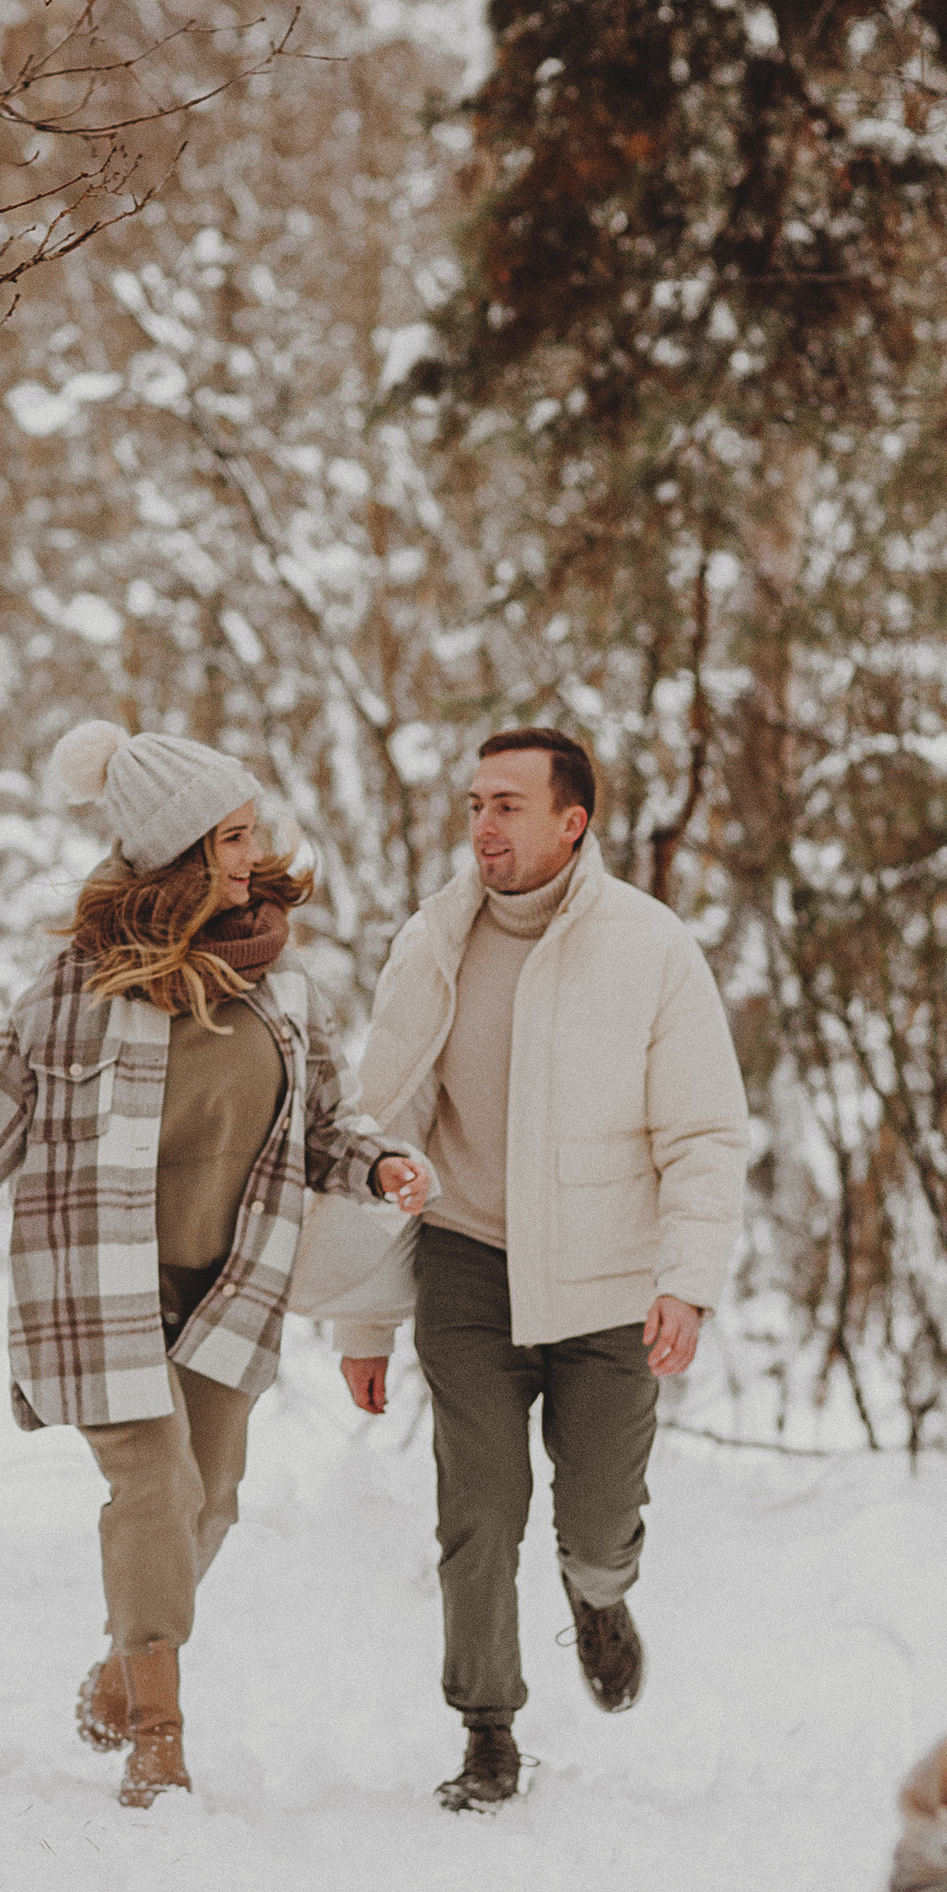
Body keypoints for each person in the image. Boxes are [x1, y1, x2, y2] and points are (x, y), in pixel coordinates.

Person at [0, 721, 431, 1809]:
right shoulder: (78, 989)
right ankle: (159, 1736)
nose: (252, 853)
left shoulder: (285, 990)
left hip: (229, 1286)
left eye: (250, 831)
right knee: (155, 1484)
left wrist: (378, 1170)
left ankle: (120, 1666)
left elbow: (330, 1125)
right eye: (230, 837)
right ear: (179, 851)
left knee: (214, 1502)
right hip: (100, 1289)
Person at [337, 729, 749, 1812]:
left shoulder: (649, 948)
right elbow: (378, 1132)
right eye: (476, 802)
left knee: (598, 1512)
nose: (484, 825)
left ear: (574, 822)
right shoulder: (431, 944)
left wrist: (685, 1278)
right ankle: (487, 1729)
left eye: (510, 805)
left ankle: (598, 1591)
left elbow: (703, 1131)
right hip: (467, 1266)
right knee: (478, 1505)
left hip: (607, 1283)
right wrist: (362, 1324)